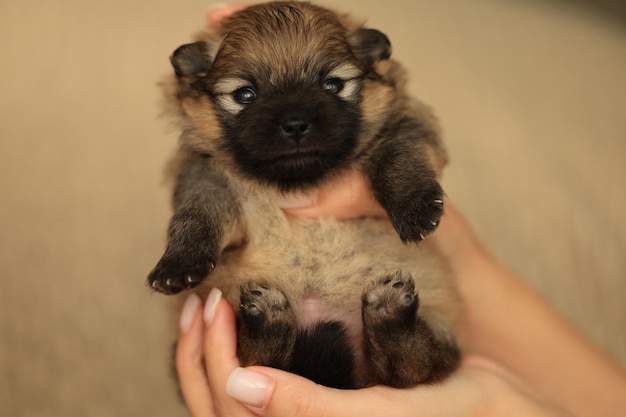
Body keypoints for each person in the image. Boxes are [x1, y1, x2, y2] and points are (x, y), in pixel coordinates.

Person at [173, 7, 626, 416]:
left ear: (375, 66)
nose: (293, 121)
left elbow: (414, 144)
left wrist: (408, 190)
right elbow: (203, 202)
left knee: (429, 342)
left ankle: (397, 336)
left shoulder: (393, 128)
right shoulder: (210, 164)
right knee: (223, 333)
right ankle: (269, 335)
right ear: (193, 87)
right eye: (246, 96)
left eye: (333, 84)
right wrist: (191, 246)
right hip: (266, 308)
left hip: (390, 300)